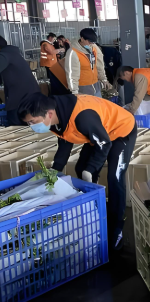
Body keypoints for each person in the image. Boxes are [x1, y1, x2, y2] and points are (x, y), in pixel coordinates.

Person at [19, 92, 137, 250]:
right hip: (99, 130)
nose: (31, 126)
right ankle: (96, 211)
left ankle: (117, 229)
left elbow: (104, 144)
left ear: (49, 114)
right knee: (81, 168)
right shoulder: (56, 117)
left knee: (114, 177)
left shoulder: (82, 117)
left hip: (121, 130)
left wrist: (92, 168)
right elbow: (65, 141)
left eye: (32, 122)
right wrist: (56, 169)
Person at [0, 36, 41, 125]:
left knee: (17, 128)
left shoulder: (4, 55)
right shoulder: (12, 53)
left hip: (21, 101)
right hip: (28, 97)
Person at [65, 28, 109, 97]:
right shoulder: (73, 53)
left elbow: (100, 65)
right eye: (89, 41)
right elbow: (72, 74)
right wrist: (74, 91)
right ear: (82, 39)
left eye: (93, 42)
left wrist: (103, 79)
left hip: (95, 87)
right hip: (83, 89)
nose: (91, 44)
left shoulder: (94, 47)